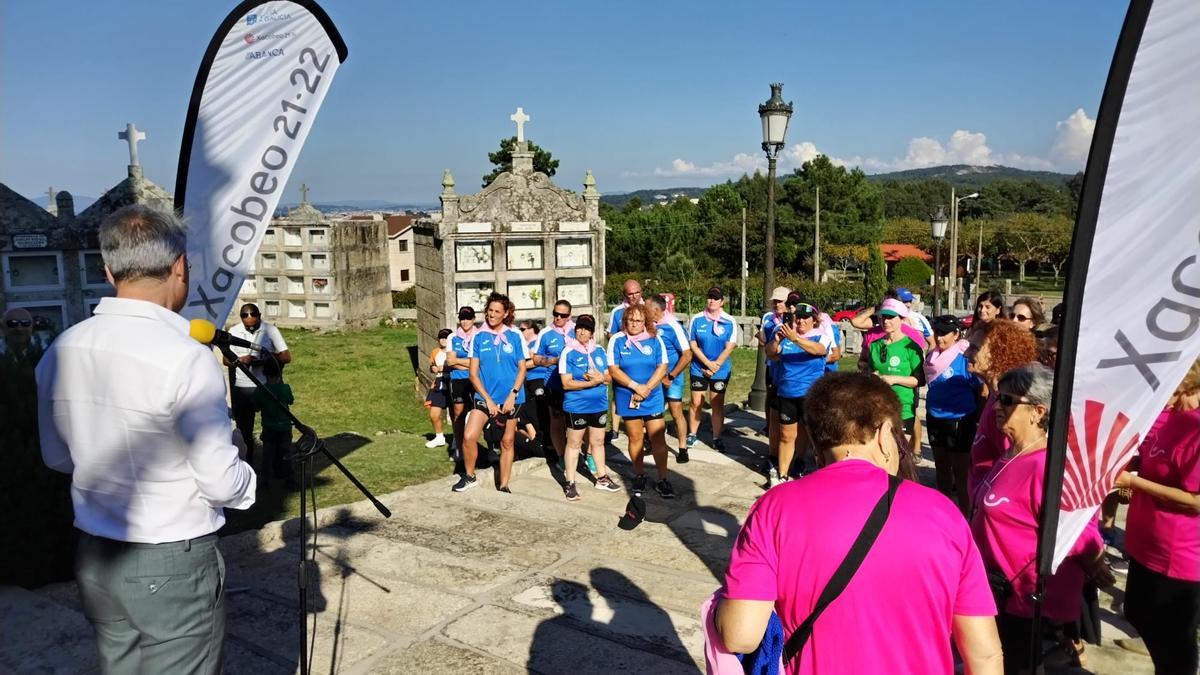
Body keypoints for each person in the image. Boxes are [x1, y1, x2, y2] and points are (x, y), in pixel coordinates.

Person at [35, 204, 256, 673]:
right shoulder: (186, 357)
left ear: (108, 270)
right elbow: (220, 482)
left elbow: (56, 456)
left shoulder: (62, 347)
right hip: (171, 555)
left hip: (95, 552)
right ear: (180, 266)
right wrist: (243, 469)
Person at [716, 371, 1002, 674]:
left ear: (814, 438)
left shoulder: (774, 507)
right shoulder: (944, 513)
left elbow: (740, 635)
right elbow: (984, 655)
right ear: (885, 433)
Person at [969, 363, 1113, 674]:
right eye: (998, 398)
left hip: (1027, 598)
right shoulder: (1011, 454)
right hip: (997, 590)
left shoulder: (1046, 467)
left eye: (1008, 400)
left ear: (1038, 411)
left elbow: (1077, 532)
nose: (997, 406)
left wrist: (1095, 564)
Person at [1116, 357, 1200, 674]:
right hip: (1145, 544)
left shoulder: (1196, 427)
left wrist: (1133, 482)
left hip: (1178, 556)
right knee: (1138, 612)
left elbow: (1196, 501)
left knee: (1176, 642)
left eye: (1173, 392)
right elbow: (1154, 465)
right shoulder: (1175, 417)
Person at [455, 293, 528, 493]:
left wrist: (513, 394)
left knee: (507, 440)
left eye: (497, 311)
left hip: (512, 397)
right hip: (485, 396)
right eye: (490, 311)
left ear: (506, 314)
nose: (492, 315)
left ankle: (504, 484)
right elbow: (472, 373)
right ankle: (469, 476)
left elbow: (522, 369)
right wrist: (487, 399)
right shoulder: (478, 336)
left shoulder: (515, 336)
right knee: (469, 436)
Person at [964, 319, 1040, 498]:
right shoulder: (994, 396)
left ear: (998, 353)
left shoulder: (1009, 408)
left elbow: (1017, 465)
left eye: (975, 348)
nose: (966, 353)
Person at [608, 304, 674, 499]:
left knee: (657, 437)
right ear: (625, 321)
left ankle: (663, 479)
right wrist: (636, 387)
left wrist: (647, 388)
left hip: (652, 395)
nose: (634, 324)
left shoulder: (655, 340)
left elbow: (662, 366)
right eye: (630, 320)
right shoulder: (617, 341)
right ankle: (639, 475)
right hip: (628, 395)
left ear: (645, 321)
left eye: (638, 320)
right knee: (635, 437)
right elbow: (613, 369)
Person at [766, 300, 831, 485]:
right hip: (787, 393)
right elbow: (770, 353)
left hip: (810, 395)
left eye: (805, 318)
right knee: (786, 436)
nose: (801, 321)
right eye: (799, 317)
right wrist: (777, 340)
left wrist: (795, 339)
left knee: (815, 437)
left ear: (814, 320)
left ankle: (824, 475)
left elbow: (818, 350)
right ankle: (782, 476)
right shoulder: (786, 334)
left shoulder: (821, 336)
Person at [557, 314, 621, 499]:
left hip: (598, 404)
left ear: (592, 332)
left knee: (598, 441)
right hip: (577, 406)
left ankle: (602, 477)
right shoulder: (568, 351)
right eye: (579, 327)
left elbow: (609, 377)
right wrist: (591, 384)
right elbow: (566, 383)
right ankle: (570, 483)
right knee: (574, 443)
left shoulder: (600, 350)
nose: (581, 331)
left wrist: (600, 378)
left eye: (585, 328)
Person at [224, 302, 292, 467]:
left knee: (272, 428)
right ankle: (248, 463)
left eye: (254, 325)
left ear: (259, 317)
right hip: (243, 387)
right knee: (245, 429)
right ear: (241, 320)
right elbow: (226, 360)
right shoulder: (233, 331)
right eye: (248, 327)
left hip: (267, 385)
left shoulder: (270, 330)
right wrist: (239, 361)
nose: (251, 329)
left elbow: (286, 356)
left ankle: (277, 464)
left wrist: (263, 360)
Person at [924, 315, 980, 513]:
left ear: (956, 334)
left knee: (961, 473)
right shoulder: (931, 356)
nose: (939, 337)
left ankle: (965, 515)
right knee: (941, 469)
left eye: (944, 333)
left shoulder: (964, 356)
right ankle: (943, 512)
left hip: (959, 419)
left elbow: (978, 387)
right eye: (936, 332)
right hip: (934, 417)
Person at [862, 298, 925, 450]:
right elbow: (868, 370)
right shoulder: (875, 346)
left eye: (891, 317)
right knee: (879, 452)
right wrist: (872, 375)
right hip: (878, 406)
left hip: (902, 406)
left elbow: (920, 380)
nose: (886, 321)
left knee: (899, 453)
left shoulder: (911, 347)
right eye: (883, 317)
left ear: (901, 319)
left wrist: (894, 379)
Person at [688, 286, 738, 452]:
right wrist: (707, 364)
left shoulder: (729, 321)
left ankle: (717, 438)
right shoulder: (697, 319)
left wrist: (715, 365)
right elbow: (693, 344)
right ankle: (692, 434)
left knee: (717, 403)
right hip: (698, 367)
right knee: (696, 402)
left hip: (720, 369)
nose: (712, 300)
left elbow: (730, 346)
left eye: (716, 298)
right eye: (709, 297)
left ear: (722, 301)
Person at [645, 293, 693, 464]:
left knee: (676, 412)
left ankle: (682, 448)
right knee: (652, 412)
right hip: (654, 377)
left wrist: (671, 376)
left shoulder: (673, 326)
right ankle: (653, 442)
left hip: (671, 377)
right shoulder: (649, 324)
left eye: (647, 308)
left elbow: (687, 355)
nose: (644, 311)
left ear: (656, 310)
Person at [531, 300, 576, 469]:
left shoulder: (577, 330)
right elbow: (535, 358)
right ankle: (561, 456)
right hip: (554, 383)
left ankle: (586, 454)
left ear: (569, 315)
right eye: (555, 314)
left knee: (577, 422)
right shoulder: (545, 333)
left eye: (563, 315)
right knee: (556, 420)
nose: (558, 318)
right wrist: (551, 361)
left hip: (575, 383)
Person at [607, 279, 643, 443]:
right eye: (630, 293)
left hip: (643, 358)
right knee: (619, 392)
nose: (634, 296)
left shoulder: (647, 308)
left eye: (637, 292)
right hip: (623, 358)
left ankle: (642, 429)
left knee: (642, 392)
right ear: (625, 294)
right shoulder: (617, 312)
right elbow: (610, 334)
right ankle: (614, 429)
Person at [760, 286, 791, 475]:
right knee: (773, 410)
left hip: (790, 371)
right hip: (772, 367)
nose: (777, 304)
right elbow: (764, 338)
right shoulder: (768, 318)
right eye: (775, 301)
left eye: (780, 301)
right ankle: (772, 455)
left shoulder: (798, 318)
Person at [254, 357, 295, 485]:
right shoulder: (284, 388)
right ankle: (289, 479)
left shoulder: (260, 390)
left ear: (264, 373)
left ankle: (265, 480)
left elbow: (256, 407)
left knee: (267, 454)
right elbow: (290, 400)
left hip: (268, 427)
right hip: (284, 427)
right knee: (286, 453)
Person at [446, 306, 478, 461]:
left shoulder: (479, 336)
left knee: (480, 413)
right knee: (459, 414)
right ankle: (459, 447)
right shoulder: (453, 337)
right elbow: (451, 362)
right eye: (462, 319)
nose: (465, 322)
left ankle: (488, 448)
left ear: (473, 319)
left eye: (468, 318)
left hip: (476, 378)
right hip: (458, 379)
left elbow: (481, 362)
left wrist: (460, 361)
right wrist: (470, 362)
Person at [425, 328, 453, 449]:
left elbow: (458, 366)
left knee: (455, 414)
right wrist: (434, 369)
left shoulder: (454, 351)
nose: (443, 340)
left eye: (446, 337)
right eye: (441, 337)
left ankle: (457, 440)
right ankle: (439, 437)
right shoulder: (435, 352)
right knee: (434, 414)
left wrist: (445, 368)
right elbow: (431, 366)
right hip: (439, 382)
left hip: (452, 382)